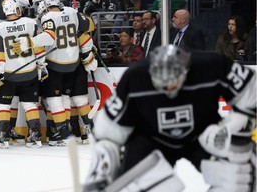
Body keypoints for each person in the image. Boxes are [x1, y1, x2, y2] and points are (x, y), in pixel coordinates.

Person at [81, 44, 256, 192]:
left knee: (238, 176)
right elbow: (108, 134)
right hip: (150, 139)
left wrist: (234, 128)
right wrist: (102, 168)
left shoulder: (212, 66)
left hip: (203, 135)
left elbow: (252, 95)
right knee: (137, 184)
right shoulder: (135, 78)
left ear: (186, 70)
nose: (169, 86)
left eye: (174, 81)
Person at [12, 0, 96, 146]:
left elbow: (49, 38)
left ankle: (63, 133)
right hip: (74, 62)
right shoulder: (73, 12)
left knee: (55, 100)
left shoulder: (47, 18)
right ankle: (85, 131)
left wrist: (30, 42)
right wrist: (88, 54)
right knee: (72, 98)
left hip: (56, 64)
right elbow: (88, 28)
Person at [0, 0, 47, 149]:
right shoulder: (31, 23)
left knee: (4, 105)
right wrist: (41, 65)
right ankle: (35, 136)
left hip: (9, 75)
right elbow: (39, 46)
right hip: (29, 73)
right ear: (16, 9)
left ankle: (4, 137)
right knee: (30, 105)